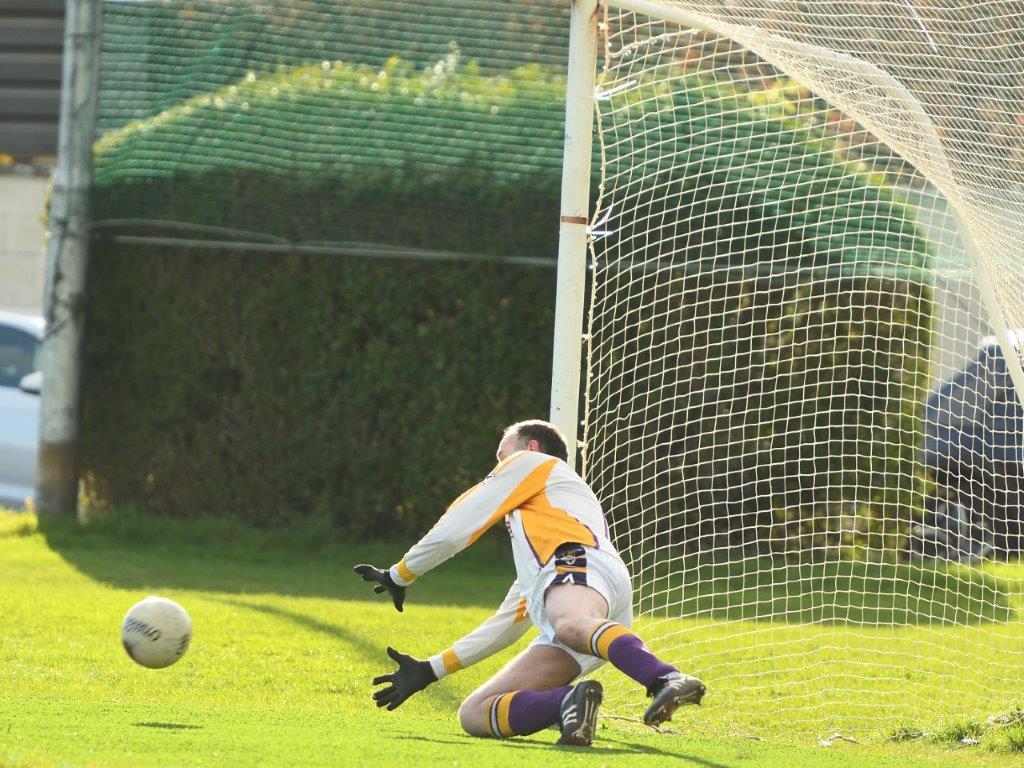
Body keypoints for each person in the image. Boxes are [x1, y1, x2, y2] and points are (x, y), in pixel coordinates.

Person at [354, 419, 705, 746]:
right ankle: (568, 704)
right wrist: (431, 669)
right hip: (582, 582)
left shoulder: (533, 464)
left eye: (501, 455)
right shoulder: (543, 526)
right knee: (475, 713)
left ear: (530, 448)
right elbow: (508, 622)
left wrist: (399, 573)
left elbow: (459, 524)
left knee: (570, 625)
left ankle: (665, 678)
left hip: (575, 562)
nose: (497, 466)